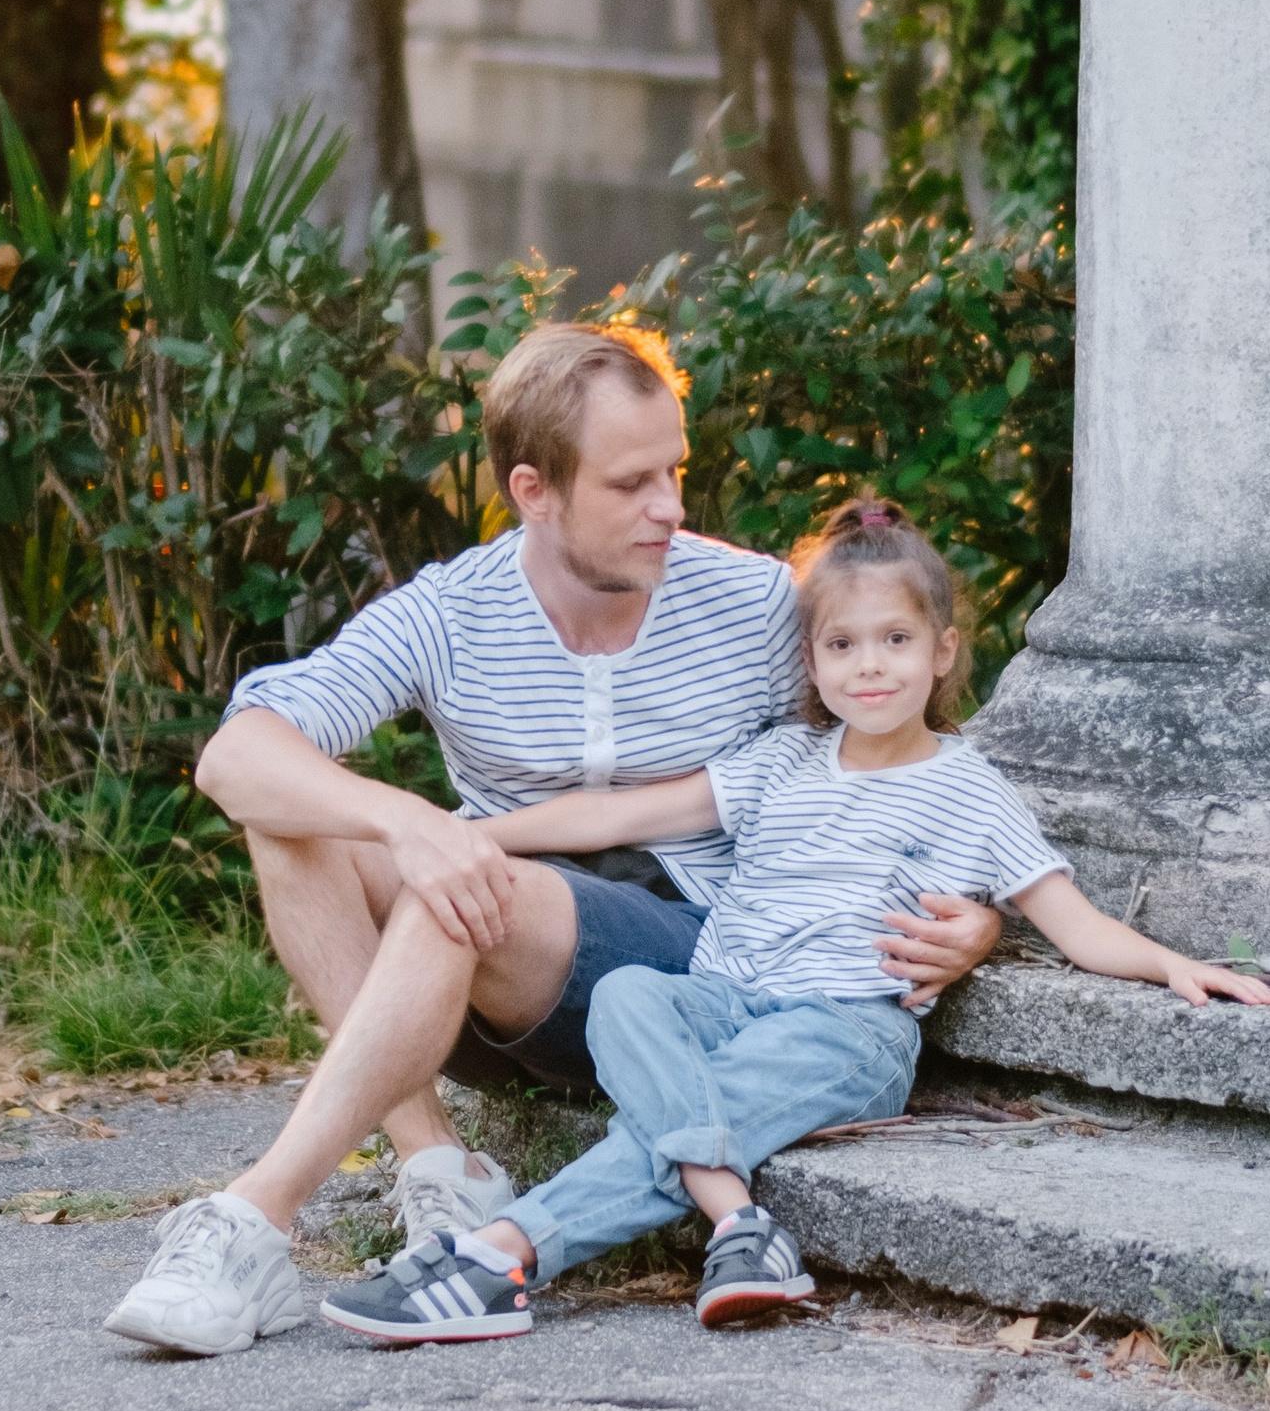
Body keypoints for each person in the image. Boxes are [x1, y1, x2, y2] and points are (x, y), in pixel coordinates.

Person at [101, 327, 1003, 1359]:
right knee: (294, 822)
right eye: (631, 484)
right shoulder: (454, 611)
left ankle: (254, 1217)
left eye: (674, 472)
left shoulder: (753, 603)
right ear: (534, 491)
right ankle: (439, 1169)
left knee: (455, 880)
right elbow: (235, 757)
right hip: (493, 971)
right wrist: (406, 820)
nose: (669, 508)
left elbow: (901, 756)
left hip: (693, 972)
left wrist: (977, 915)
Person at [318, 494, 1270, 1345]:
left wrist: (1171, 965)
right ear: (810, 660)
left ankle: (498, 1255)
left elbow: (1074, 924)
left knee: (689, 1112)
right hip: (722, 1000)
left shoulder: (970, 790)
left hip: (844, 1028)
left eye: (896, 641)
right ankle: (739, 1223)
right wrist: (453, 836)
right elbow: (611, 817)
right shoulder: (782, 762)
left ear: (943, 651)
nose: (870, 667)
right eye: (842, 645)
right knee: (626, 994)